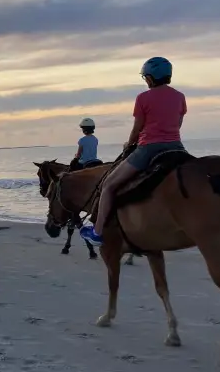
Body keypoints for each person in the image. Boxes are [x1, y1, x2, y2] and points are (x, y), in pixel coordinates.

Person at [80, 57, 187, 246]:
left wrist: (129, 145)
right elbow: (178, 124)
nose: (146, 81)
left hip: (149, 149)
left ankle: (97, 232)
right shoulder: (179, 96)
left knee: (109, 185)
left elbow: (138, 127)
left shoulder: (143, 98)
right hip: (177, 147)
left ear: (151, 78)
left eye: (146, 77)